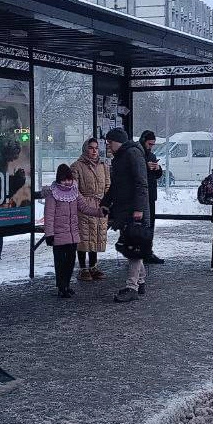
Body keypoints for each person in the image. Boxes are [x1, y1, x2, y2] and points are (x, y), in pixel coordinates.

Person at [42, 164, 108, 298]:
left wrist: (99, 212)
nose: (67, 182)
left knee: (71, 262)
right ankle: (61, 287)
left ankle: (66, 284)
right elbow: (49, 216)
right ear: (58, 179)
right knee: (60, 263)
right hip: (58, 236)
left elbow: (84, 207)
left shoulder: (74, 191)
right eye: (64, 179)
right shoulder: (53, 194)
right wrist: (49, 234)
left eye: (69, 179)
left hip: (73, 235)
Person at [101, 128, 149, 303]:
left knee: (133, 248)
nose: (107, 146)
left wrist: (139, 209)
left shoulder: (131, 155)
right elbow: (117, 185)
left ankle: (132, 286)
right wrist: (105, 202)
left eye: (109, 142)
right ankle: (139, 281)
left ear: (118, 141)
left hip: (133, 211)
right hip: (127, 209)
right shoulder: (122, 156)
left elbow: (141, 183)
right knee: (132, 246)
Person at [70, 138, 110, 282]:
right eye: (91, 148)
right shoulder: (76, 166)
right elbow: (74, 188)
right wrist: (83, 202)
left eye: (96, 148)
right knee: (84, 237)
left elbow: (108, 185)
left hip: (100, 205)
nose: (94, 151)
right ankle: (82, 268)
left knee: (96, 236)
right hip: (84, 206)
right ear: (85, 149)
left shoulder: (103, 166)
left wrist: (106, 201)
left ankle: (93, 266)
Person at [139, 130, 165, 265]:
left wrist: (157, 168)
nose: (151, 147)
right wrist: (145, 166)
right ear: (143, 141)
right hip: (140, 196)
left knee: (150, 225)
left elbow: (157, 176)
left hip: (150, 195)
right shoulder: (137, 155)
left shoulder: (152, 156)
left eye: (153, 144)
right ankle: (140, 252)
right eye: (150, 144)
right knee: (142, 226)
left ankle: (148, 251)